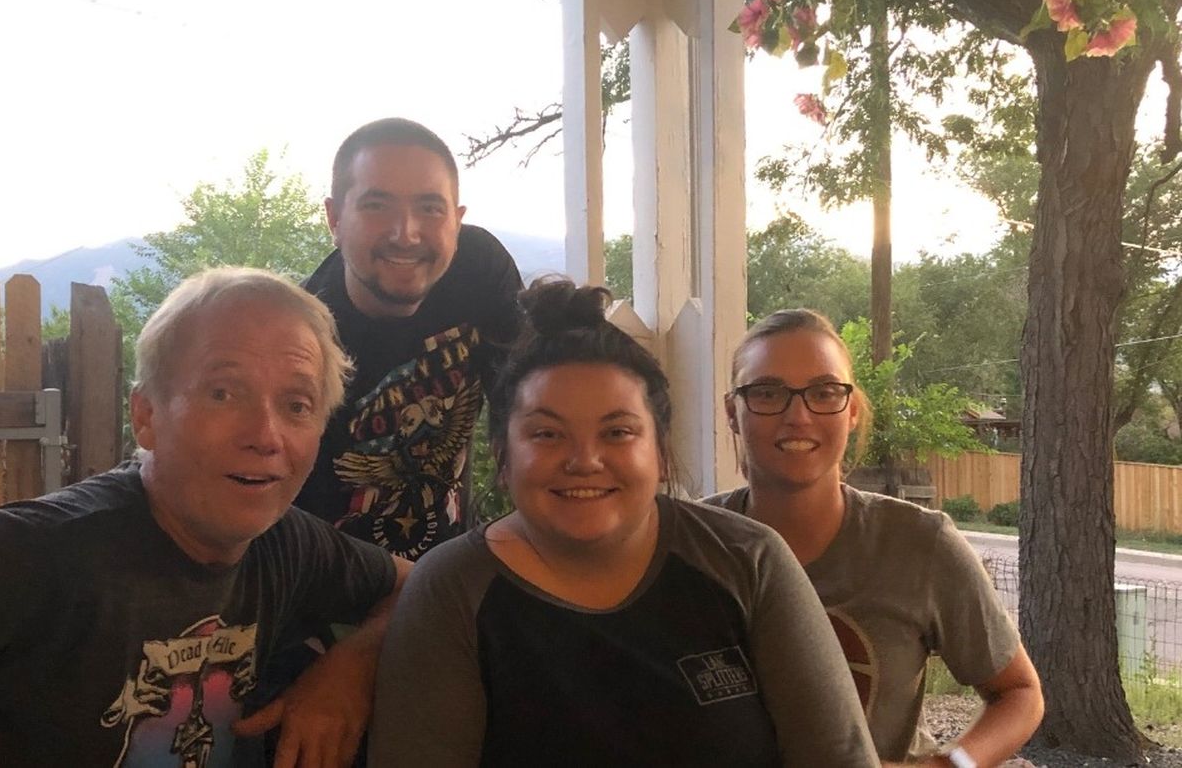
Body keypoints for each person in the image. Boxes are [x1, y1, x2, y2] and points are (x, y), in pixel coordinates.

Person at [369, 280, 879, 767]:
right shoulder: (453, 590)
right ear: (503, 457)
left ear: (660, 453)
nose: (584, 461)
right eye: (547, 434)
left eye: (617, 432)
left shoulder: (747, 560)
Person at [0, 267, 410, 768]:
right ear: (146, 416)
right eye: (223, 394)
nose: (266, 435)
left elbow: (418, 585)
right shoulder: (31, 556)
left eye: (297, 405)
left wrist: (352, 666)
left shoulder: (287, 544)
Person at [707, 309, 1044, 768]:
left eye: (825, 392)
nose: (798, 415)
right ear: (733, 412)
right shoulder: (691, 544)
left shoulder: (919, 544)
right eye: (767, 392)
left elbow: (1019, 692)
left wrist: (948, 766)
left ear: (851, 411)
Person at [298, 117, 522, 561]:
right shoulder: (307, 339)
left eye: (430, 208)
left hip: (451, 569)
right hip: (328, 582)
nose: (406, 233)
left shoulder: (478, 272)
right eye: (377, 205)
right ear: (335, 219)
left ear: (456, 221)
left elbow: (526, 409)